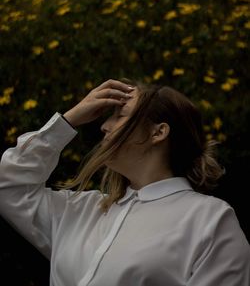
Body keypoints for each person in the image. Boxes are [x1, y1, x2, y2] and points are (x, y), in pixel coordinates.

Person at [0, 78, 249, 286]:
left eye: (119, 116)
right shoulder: (80, 210)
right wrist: (68, 120)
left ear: (158, 132)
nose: (104, 126)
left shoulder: (210, 220)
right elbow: (8, 185)